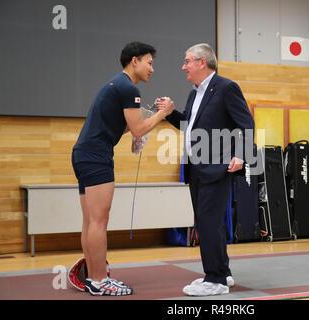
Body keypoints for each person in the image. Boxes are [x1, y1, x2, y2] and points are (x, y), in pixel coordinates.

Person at [70, 41, 174, 296]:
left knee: (90, 221)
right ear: (134, 60)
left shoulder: (119, 85)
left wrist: (147, 117)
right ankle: (98, 279)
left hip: (85, 154)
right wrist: (164, 113)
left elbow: (127, 126)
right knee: (98, 221)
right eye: (149, 62)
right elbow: (138, 129)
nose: (152, 69)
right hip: (95, 156)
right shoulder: (128, 88)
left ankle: (94, 277)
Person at [157, 43, 255, 296]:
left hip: (218, 167)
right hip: (196, 167)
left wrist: (242, 156)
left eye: (187, 60)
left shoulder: (226, 87)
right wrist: (169, 113)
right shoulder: (194, 93)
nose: (183, 66)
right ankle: (223, 272)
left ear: (202, 62)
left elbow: (246, 123)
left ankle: (216, 280)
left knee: (209, 222)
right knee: (207, 222)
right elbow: (188, 125)